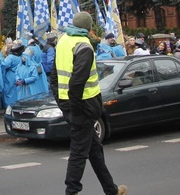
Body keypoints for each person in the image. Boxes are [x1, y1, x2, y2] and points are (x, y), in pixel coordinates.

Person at [53, 12, 127, 195]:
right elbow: (77, 82)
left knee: (95, 150)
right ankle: (72, 191)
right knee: (79, 152)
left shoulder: (62, 41)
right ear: (88, 28)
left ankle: (111, 189)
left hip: (70, 104)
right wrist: (76, 109)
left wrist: (61, 102)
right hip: (83, 106)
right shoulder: (83, 45)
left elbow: (53, 76)